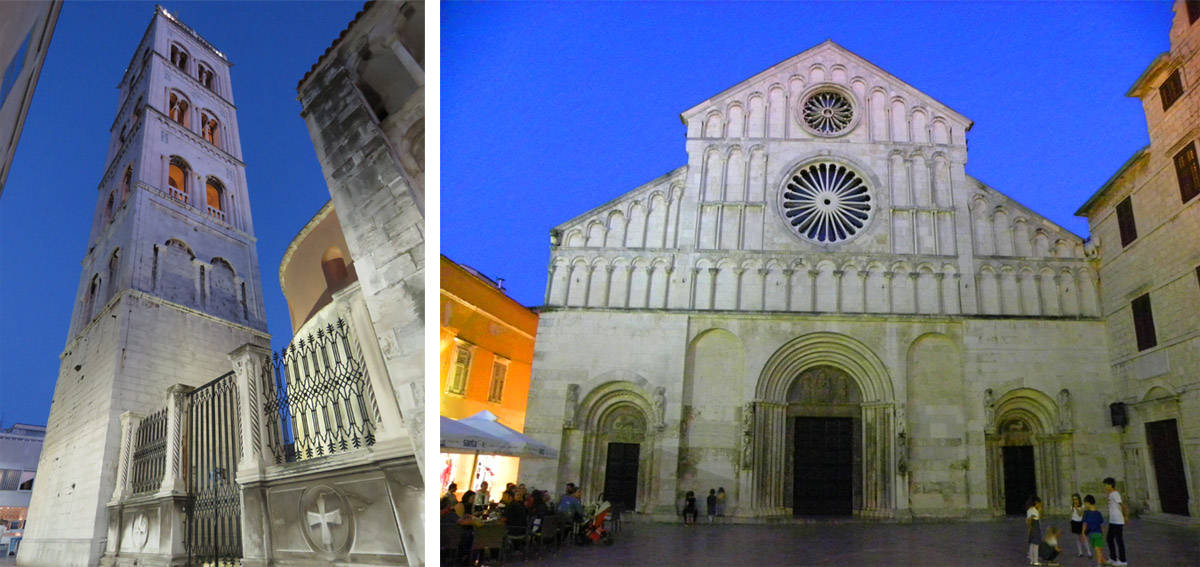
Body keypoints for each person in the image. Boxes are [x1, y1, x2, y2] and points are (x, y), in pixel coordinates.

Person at [1103, 477, 1129, 566]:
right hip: (1112, 520)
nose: (1105, 487)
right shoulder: (1111, 494)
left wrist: (1126, 516)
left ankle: (1123, 560)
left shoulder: (1115, 494)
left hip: (1118, 520)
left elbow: (1123, 505)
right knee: (1109, 538)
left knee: (1119, 540)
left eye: (1106, 485)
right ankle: (1113, 558)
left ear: (1110, 485)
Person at [1082, 495, 1107, 566]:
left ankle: (1099, 564)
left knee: (1097, 549)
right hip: (1092, 534)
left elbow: (1085, 523)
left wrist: (1083, 532)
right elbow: (1085, 523)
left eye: (1085, 503)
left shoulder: (1094, 513)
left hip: (1096, 533)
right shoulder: (1091, 513)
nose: (1085, 505)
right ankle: (1103, 561)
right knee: (1097, 549)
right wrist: (1083, 533)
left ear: (1088, 503)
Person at [1070, 493, 1091, 558]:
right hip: (1074, 522)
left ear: (1079, 499)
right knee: (1077, 538)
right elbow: (1071, 515)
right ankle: (1080, 552)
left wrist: (1076, 508)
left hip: (1080, 523)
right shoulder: (1071, 506)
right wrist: (1070, 523)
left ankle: (1088, 552)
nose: (1075, 501)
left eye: (1076, 499)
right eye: (1073, 499)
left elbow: (1080, 514)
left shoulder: (1082, 506)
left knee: (1084, 538)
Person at [1025, 495, 1043, 565]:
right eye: (1039, 503)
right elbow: (1030, 519)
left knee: (1032, 544)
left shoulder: (1030, 509)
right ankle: (1035, 560)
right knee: (1036, 544)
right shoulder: (1033, 510)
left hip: (1033, 527)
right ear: (1036, 502)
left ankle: (1032, 559)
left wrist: (1029, 528)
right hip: (1035, 527)